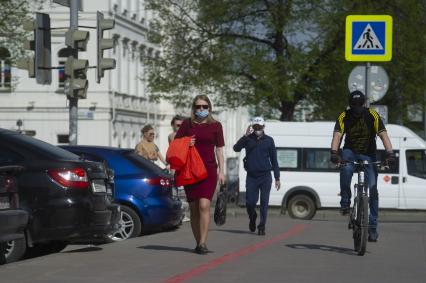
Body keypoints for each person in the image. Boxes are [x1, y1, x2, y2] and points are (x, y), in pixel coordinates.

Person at [330, 90, 395, 242]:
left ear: (364, 103)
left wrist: (390, 154)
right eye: (354, 105)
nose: (357, 108)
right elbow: (338, 135)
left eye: (359, 105)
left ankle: (372, 228)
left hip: (369, 153)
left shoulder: (372, 115)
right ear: (350, 105)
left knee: (373, 189)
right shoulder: (344, 116)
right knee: (345, 168)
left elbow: (383, 134)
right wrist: (334, 153)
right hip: (349, 151)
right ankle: (345, 201)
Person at [174, 95, 225, 255]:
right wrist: (186, 142)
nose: (201, 109)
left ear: (209, 108)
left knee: (204, 205)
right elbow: (175, 144)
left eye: (204, 106)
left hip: (209, 171)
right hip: (190, 171)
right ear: (193, 108)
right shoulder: (187, 125)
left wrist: (221, 171)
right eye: (198, 107)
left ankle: (203, 242)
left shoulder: (216, 126)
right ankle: (198, 242)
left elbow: (219, 149)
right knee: (194, 209)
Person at [233, 117, 281, 236]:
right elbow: (236, 148)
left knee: (264, 203)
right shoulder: (248, 139)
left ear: (263, 127)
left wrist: (277, 177)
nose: (257, 129)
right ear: (252, 127)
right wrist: (244, 136)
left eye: (259, 127)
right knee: (250, 203)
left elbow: (274, 160)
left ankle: (262, 226)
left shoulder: (269, 140)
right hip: (252, 177)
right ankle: (252, 216)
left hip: (265, 177)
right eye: (255, 127)